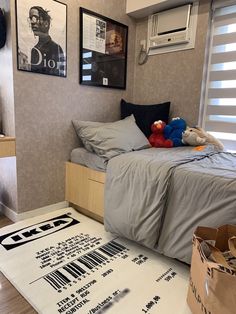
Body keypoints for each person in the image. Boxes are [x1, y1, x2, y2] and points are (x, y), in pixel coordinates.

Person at [28, 6, 65, 76]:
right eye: (31, 19)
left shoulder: (56, 48)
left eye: (35, 18)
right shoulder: (34, 50)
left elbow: (61, 74)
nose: (32, 22)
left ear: (46, 23)